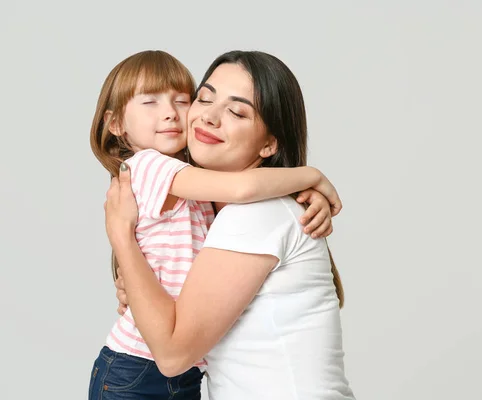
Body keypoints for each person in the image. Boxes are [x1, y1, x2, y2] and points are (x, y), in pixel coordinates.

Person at [88, 50, 342, 400]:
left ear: (270, 144)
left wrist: (123, 243)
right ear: (116, 123)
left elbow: (174, 352)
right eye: (204, 98)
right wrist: (308, 178)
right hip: (137, 371)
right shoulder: (176, 181)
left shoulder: (253, 212)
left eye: (236, 111)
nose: (207, 116)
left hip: (164, 373)